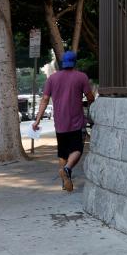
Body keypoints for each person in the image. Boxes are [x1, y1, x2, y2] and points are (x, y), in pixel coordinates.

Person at [32, 51, 95, 191]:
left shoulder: (52, 79)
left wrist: (37, 121)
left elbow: (44, 99)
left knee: (62, 152)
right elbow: (90, 97)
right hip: (76, 121)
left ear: (62, 63)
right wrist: (88, 101)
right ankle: (67, 169)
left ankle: (65, 179)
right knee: (77, 148)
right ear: (75, 62)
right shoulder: (81, 77)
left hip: (59, 122)